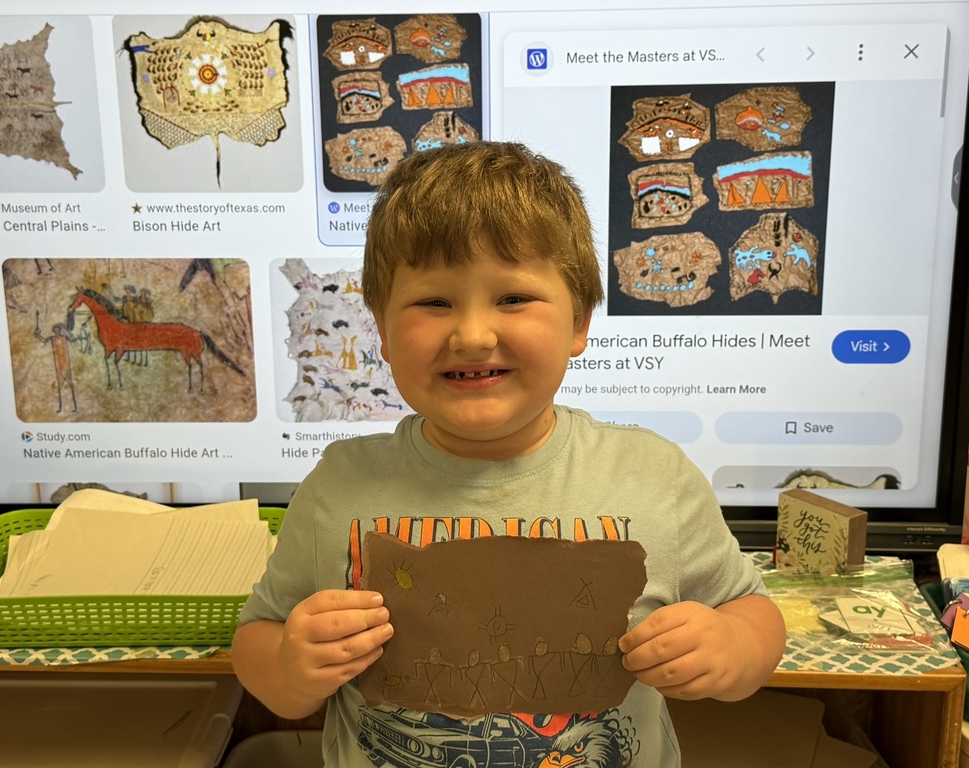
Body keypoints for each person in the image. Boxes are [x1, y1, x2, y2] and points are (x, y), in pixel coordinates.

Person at [232, 141, 786, 766]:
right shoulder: (340, 485)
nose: (472, 335)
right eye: (433, 302)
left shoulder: (655, 476)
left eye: (513, 298)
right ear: (382, 331)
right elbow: (258, 636)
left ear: (579, 321)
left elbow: (754, 613)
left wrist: (731, 649)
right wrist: (288, 667)